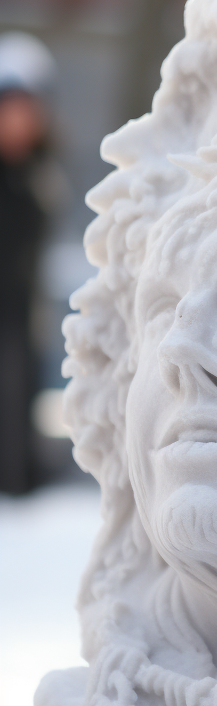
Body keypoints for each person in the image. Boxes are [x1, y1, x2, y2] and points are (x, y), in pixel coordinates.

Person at [0, 32, 57, 494]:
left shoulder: (39, 174)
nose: (17, 121)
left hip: (20, 314)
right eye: (8, 108)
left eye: (26, 109)